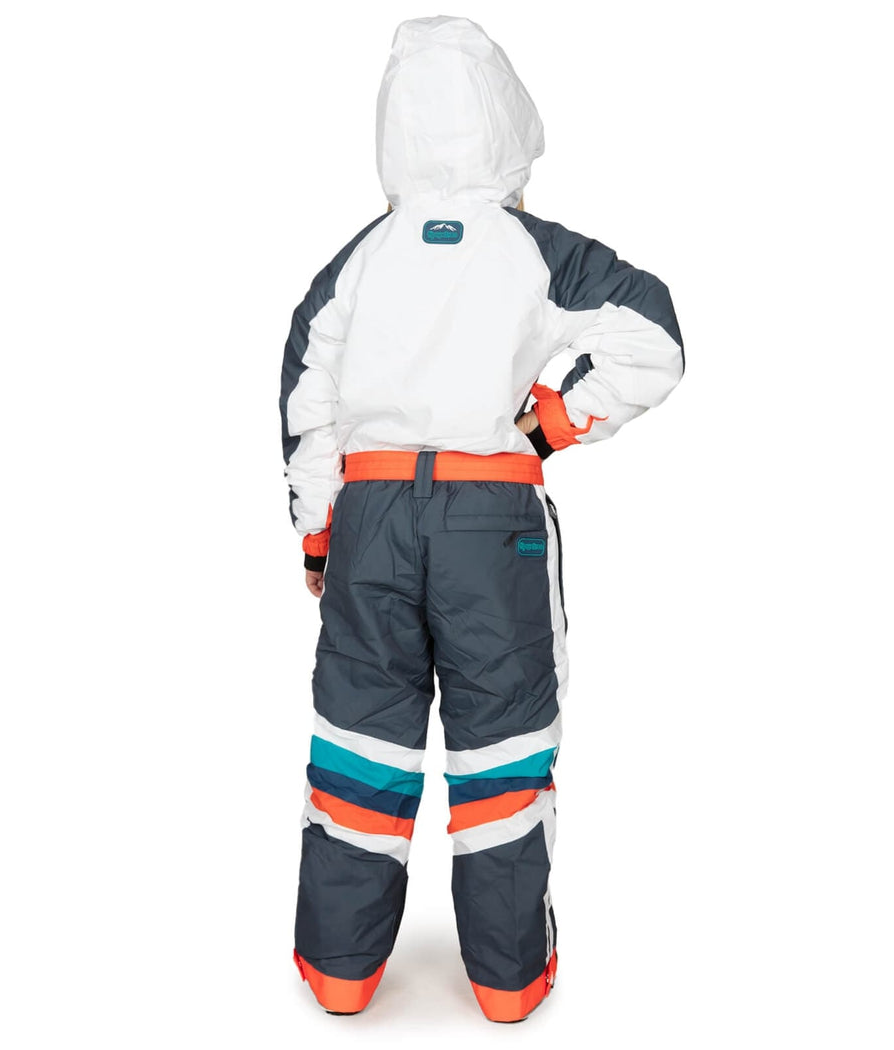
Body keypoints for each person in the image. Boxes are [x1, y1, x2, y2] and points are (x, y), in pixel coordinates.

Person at [279, 15, 684, 1023]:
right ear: (508, 125)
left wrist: (320, 533)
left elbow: (308, 403)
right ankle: (507, 985)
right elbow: (655, 339)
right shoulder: (534, 248)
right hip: (491, 522)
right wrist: (550, 425)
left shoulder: (357, 261)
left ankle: (339, 975)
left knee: (358, 745)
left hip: (370, 519)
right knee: (503, 746)